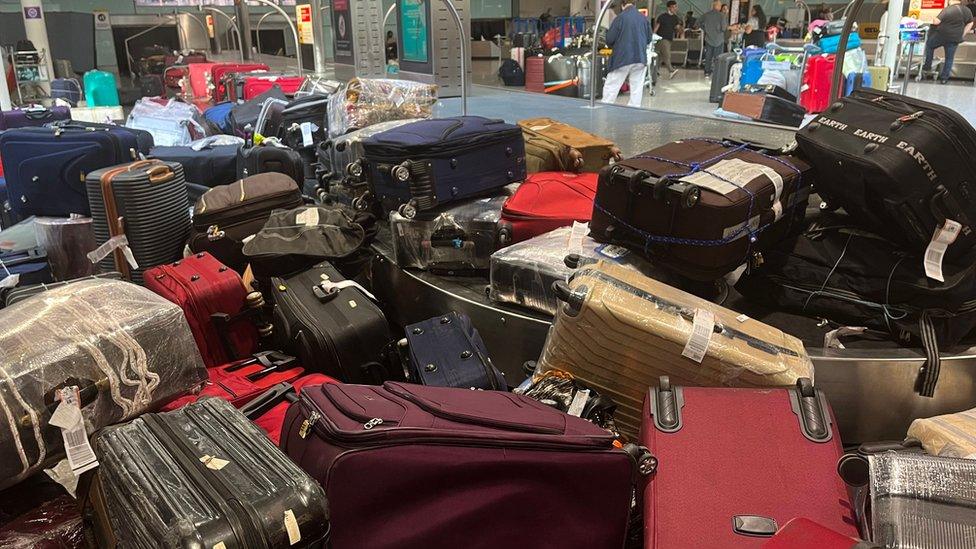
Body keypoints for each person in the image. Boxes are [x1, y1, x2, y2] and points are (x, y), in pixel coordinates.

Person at [602, 0, 653, 107]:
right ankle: (633, 113)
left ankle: (605, 110)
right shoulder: (643, 18)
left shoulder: (620, 18)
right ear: (635, 5)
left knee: (612, 87)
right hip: (640, 57)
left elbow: (609, 39)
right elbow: (649, 39)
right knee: (636, 89)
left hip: (622, 58)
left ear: (622, 5)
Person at [922, 0, 974, 83]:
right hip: (954, 38)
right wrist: (962, 34)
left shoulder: (948, 9)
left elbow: (936, 22)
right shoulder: (966, 10)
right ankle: (944, 79)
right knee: (949, 58)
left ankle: (927, 66)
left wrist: (933, 17)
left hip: (941, 36)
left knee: (929, 45)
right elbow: (970, 23)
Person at [699, 0, 729, 76]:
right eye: (720, 5)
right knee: (718, 57)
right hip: (719, 39)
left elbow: (698, 22)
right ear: (717, 6)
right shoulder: (722, 16)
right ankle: (716, 72)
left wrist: (705, 29)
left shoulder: (706, 15)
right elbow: (724, 28)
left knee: (708, 56)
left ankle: (707, 71)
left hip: (708, 38)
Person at [655, 0, 682, 78]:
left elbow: (677, 28)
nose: (675, 8)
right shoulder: (662, 16)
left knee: (659, 57)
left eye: (676, 7)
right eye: (673, 7)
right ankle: (671, 70)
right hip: (662, 38)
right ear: (668, 8)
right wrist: (653, 36)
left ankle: (655, 72)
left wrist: (680, 28)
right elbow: (656, 27)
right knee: (667, 55)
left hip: (669, 39)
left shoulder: (675, 17)